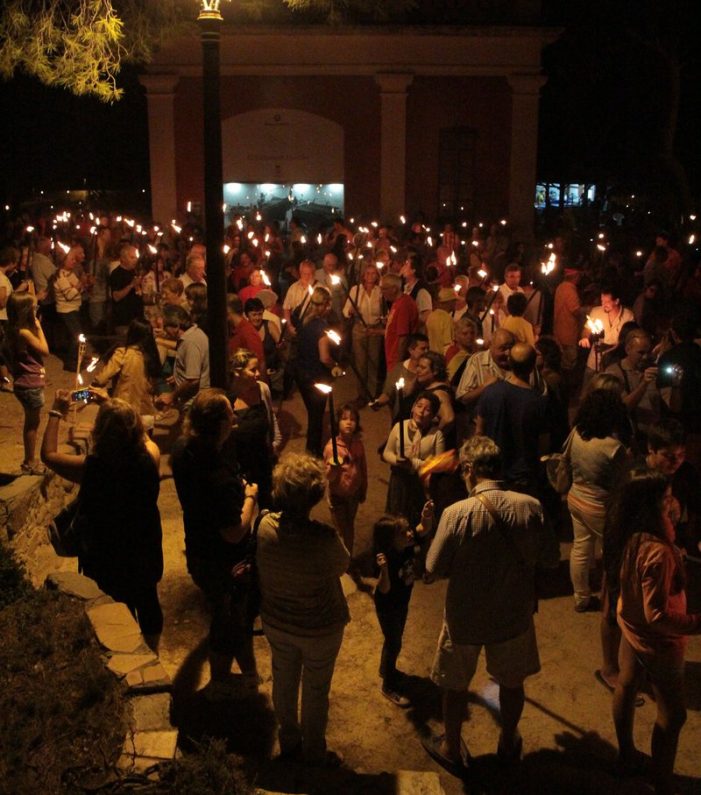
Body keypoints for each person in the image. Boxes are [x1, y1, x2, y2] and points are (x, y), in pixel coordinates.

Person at [423, 436, 559, 776]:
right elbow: (552, 558)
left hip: (465, 617)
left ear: (469, 469)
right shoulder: (531, 506)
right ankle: (508, 740)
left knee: (455, 685)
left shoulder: (456, 513)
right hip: (513, 615)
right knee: (511, 683)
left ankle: (452, 747)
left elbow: (433, 568)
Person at [41, 391, 164, 652]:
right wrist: (112, 405)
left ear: (100, 431)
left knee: (115, 606)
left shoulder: (92, 468)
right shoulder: (150, 458)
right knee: (148, 601)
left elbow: (49, 455)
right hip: (144, 548)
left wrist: (55, 412)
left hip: (106, 553)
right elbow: (138, 434)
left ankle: (125, 653)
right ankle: (152, 653)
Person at [609, 469, 701, 794]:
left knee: (627, 683)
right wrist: (695, 623)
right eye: (665, 501)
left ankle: (625, 756)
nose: (672, 505)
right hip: (657, 642)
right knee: (674, 716)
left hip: (630, 628)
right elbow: (657, 615)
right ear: (650, 508)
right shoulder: (658, 552)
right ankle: (661, 782)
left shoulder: (632, 538)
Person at [256, 453, 350, 766]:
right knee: (315, 690)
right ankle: (314, 751)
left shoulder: (265, 526)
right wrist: (332, 509)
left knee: (283, 682)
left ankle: (290, 743)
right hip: (319, 628)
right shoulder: (324, 538)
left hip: (278, 622)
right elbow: (344, 562)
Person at [171, 389, 260, 700]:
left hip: (198, 547)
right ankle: (221, 682)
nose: (235, 418)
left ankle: (240, 673)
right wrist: (249, 498)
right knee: (228, 617)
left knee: (225, 614)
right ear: (221, 424)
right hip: (224, 561)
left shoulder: (183, 449)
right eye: (229, 414)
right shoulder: (218, 477)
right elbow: (234, 531)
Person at [567, 383, 630, 613]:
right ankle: (614, 600)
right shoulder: (613, 447)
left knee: (581, 548)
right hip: (600, 505)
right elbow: (625, 480)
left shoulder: (577, 433)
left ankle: (581, 597)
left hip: (576, 497)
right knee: (615, 552)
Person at [373, 503, 433, 707]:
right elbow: (384, 590)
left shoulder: (406, 544)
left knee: (394, 640)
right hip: (388, 605)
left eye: (408, 528)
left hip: (401, 602)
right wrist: (384, 571)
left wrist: (426, 516)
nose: (409, 533)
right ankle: (388, 686)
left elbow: (423, 529)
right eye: (403, 532)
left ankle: (386, 670)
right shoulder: (386, 558)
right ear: (391, 540)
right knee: (393, 643)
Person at [475, 343, 549, 495]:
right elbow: (543, 445)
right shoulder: (538, 402)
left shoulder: (491, 392)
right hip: (523, 478)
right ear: (531, 366)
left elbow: (479, 432)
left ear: (509, 363)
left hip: (492, 472)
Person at [227, 348, 281, 508]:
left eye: (258, 369)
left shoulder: (262, 389)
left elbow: (271, 417)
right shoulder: (228, 397)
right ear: (238, 372)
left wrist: (275, 443)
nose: (258, 373)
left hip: (262, 459)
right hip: (239, 464)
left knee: (269, 506)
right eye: (252, 370)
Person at [383, 391, 445, 529]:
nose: (421, 411)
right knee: (394, 520)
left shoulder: (436, 435)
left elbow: (438, 465)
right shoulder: (400, 427)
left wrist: (413, 463)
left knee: (414, 520)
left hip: (419, 484)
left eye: (427, 409)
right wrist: (397, 460)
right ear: (413, 407)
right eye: (419, 406)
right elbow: (387, 453)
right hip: (398, 481)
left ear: (434, 415)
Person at [5, 293, 48, 474]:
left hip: (23, 382)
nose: (36, 310)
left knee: (32, 423)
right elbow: (45, 350)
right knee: (32, 424)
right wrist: (38, 328)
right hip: (30, 385)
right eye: (34, 307)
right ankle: (30, 461)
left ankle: (29, 460)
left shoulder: (12, 330)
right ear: (26, 311)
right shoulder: (25, 333)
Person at [295, 286, 337, 458]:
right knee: (316, 417)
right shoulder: (322, 328)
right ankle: (312, 452)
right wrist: (335, 365)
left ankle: (311, 449)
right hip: (316, 377)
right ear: (326, 305)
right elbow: (324, 358)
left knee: (312, 413)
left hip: (301, 374)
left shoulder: (304, 321)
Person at [323, 403, 367, 563]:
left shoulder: (357, 444)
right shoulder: (331, 448)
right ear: (337, 423)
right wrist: (334, 468)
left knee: (350, 525)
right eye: (344, 419)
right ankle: (342, 561)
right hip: (338, 497)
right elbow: (328, 477)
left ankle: (347, 559)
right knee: (342, 531)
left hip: (353, 495)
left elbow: (363, 468)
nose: (349, 422)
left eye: (353, 419)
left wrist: (363, 488)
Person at [342, 263, 383, 401]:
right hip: (359, 329)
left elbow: (384, 311)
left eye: (373, 273)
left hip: (375, 329)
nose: (370, 276)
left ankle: (372, 394)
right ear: (363, 276)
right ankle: (361, 394)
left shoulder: (380, 291)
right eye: (368, 273)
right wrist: (350, 311)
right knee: (360, 363)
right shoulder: (356, 290)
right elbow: (345, 310)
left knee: (374, 362)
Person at [380, 272, 419, 372]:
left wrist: (398, 363)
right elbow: (393, 330)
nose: (382, 292)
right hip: (392, 356)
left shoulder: (403, 305)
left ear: (394, 289)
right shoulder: (396, 303)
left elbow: (403, 337)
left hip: (396, 359)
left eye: (384, 288)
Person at [109, 244, 144, 338]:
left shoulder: (133, 272)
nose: (135, 260)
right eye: (132, 257)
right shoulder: (116, 274)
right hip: (124, 320)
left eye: (136, 257)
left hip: (136, 319)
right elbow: (116, 297)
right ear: (123, 259)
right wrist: (131, 285)